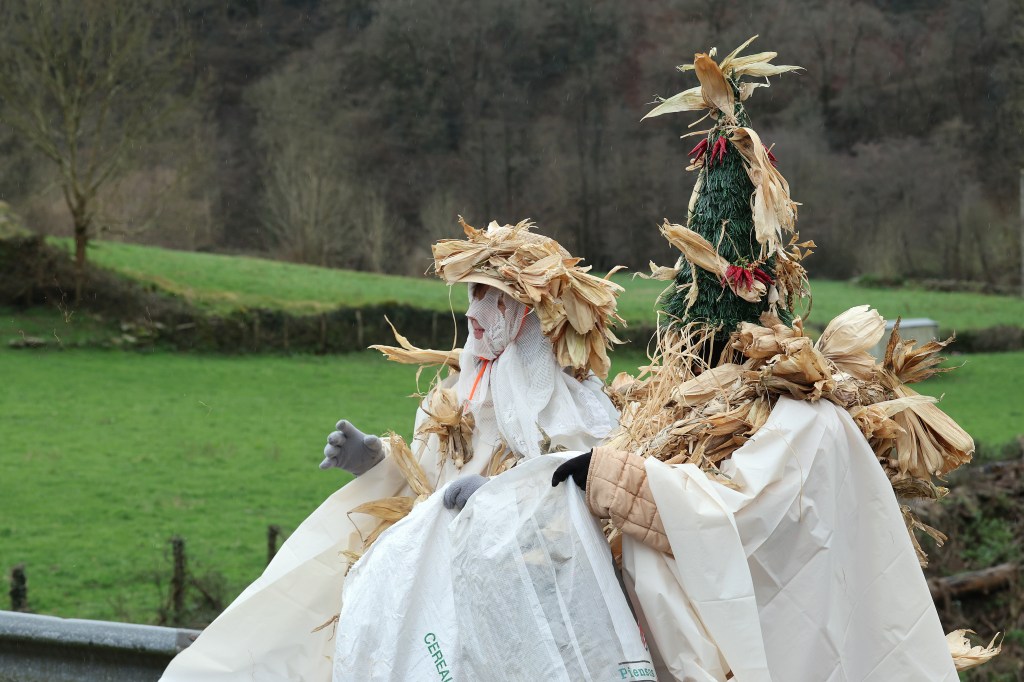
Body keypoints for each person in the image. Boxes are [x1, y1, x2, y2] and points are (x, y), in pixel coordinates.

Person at [160, 219, 623, 682]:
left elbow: (579, 499)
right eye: (473, 293)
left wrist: (500, 501)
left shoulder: (570, 412)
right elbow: (425, 478)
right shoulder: (459, 392)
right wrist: (376, 460)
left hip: (511, 619)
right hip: (427, 596)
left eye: (492, 296)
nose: (473, 311)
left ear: (529, 311)